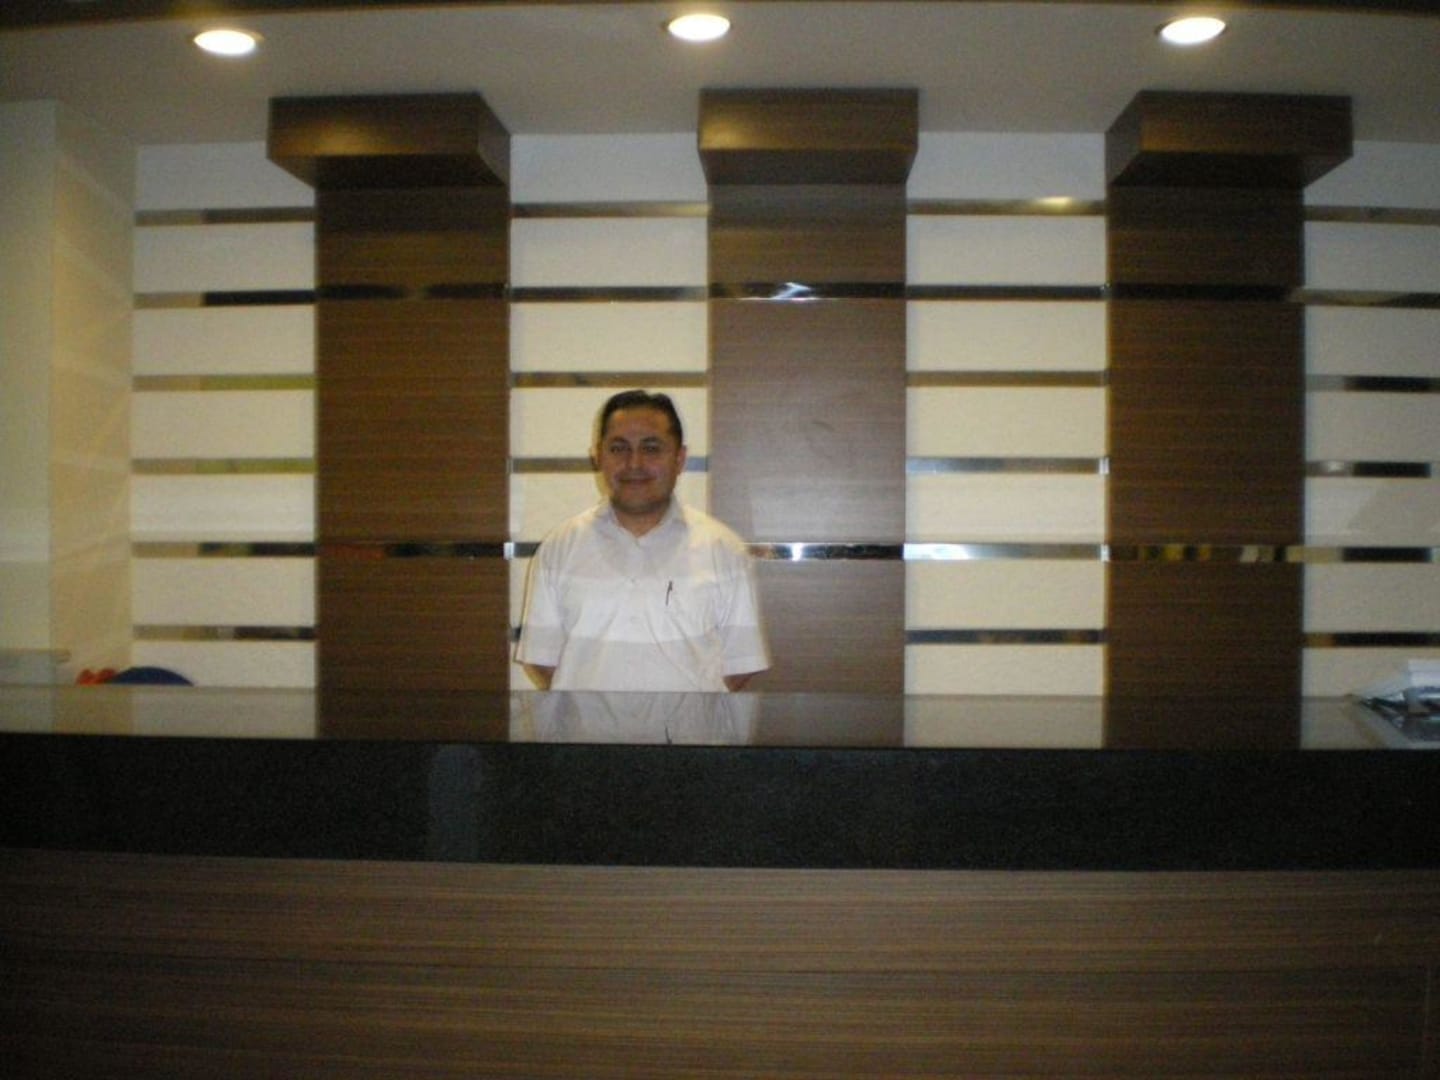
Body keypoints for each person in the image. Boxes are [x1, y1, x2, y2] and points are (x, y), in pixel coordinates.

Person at [516, 390, 769, 692]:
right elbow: (542, 660)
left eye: (651, 448)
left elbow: (739, 665)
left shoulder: (724, 549)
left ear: (679, 458)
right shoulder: (560, 548)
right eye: (618, 448)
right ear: (598, 456)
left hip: (690, 725)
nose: (634, 463)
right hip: (586, 725)